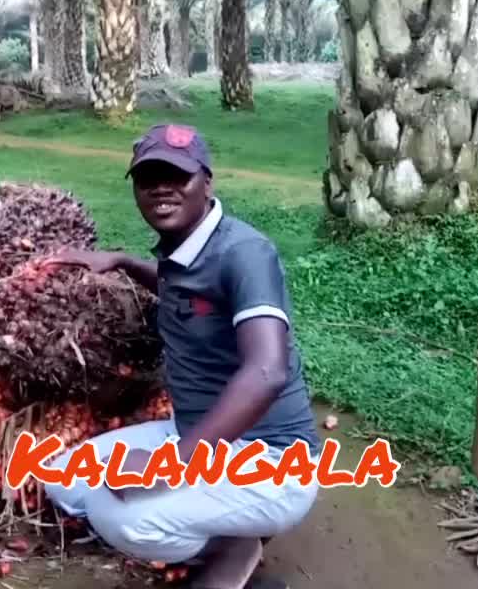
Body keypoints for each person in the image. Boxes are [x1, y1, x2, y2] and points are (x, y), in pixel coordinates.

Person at [44, 124, 321, 589]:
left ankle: (232, 546)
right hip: (200, 433)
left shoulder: (245, 253)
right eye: (147, 177)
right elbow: (184, 290)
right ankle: (228, 538)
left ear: (206, 182)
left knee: (118, 517)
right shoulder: (184, 252)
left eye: (177, 176)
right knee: (62, 477)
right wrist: (125, 263)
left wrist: (170, 467)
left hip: (273, 459)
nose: (160, 188)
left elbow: (267, 371)